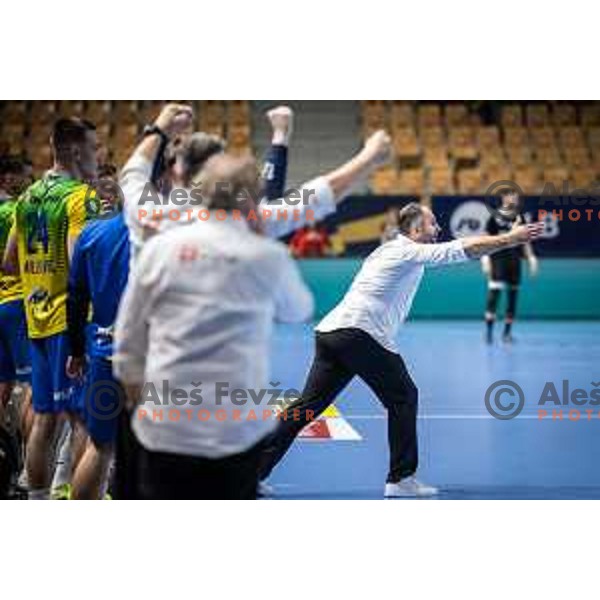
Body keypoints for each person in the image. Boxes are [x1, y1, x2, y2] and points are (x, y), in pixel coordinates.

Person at [259, 202, 545, 498]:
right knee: (404, 396)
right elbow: (462, 249)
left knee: (307, 407)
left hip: (332, 332)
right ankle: (401, 478)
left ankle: (251, 473)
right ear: (417, 228)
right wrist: (511, 238)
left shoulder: (390, 250)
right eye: (433, 224)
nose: (438, 229)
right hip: (359, 332)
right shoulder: (406, 250)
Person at [113, 153, 314, 499]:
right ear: (251, 199)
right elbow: (298, 310)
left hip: (165, 428)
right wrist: (262, 237)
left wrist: (139, 403)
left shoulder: (160, 248)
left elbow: (128, 340)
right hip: (236, 433)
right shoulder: (266, 256)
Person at [118, 104, 392, 258]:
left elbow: (132, 175)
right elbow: (311, 198)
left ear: (176, 171)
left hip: (157, 356)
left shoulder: (147, 213)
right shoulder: (242, 224)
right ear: (222, 172)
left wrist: (159, 130)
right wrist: (369, 157)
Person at [2, 118, 100, 500]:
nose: (96, 156)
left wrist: (37, 276)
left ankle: (37, 501)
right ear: (76, 150)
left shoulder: (26, 198)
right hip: (68, 323)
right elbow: (81, 266)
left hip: (34, 318)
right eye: (93, 148)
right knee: (81, 421)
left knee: (44, 417)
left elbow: (9, 260)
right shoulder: (80, 198)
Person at [0, 156, 32, 440]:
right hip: (17, 299)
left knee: (3, 382)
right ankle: (23, 458)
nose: (29, 183)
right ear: (8, 178)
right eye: (25, 177)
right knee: (30, 384)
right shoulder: (16, 210)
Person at [482, 189, 539, 344]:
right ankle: (488, 332)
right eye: (512, 196)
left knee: (513, 296)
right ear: (504, 198)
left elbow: (525, 241)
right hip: (498, 260)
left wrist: (531, 258)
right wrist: (485, 259)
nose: (515, 199)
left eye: (517, 196)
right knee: (494, 295)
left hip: (514, 261)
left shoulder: (520, 218)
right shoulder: (494, 217)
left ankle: (507, 333)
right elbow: (486, 240)